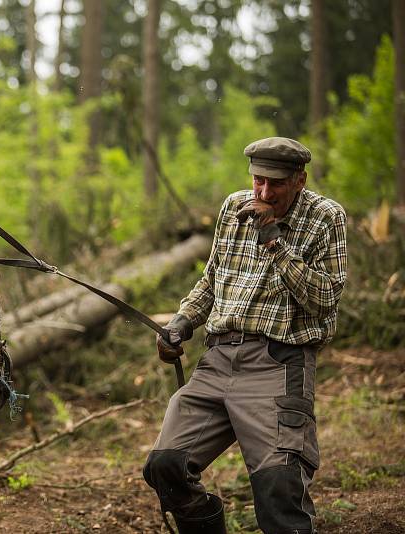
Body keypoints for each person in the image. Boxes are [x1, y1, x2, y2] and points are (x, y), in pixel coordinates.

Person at [142, 137, 348, 534]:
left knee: (279, 489)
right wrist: (182, 322)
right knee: (165, 464)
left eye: (277, 184)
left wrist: (275, 242)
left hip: (279, 364)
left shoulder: (326, 217)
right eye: (258, 182)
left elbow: (324, 300)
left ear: (300, 180)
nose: (264, 193)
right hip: (218, 361)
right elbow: (212, 280)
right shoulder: (233, 207)